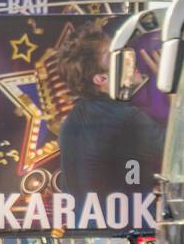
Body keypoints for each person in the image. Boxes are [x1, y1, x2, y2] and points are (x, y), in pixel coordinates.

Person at [55, 23, 164, 207]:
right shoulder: (127, 118)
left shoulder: (73, 119)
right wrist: (176, 91)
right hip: (127, 228)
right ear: (101, 79)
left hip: (90, 230)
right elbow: (178, 158)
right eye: (116, 56)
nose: (129, 57)